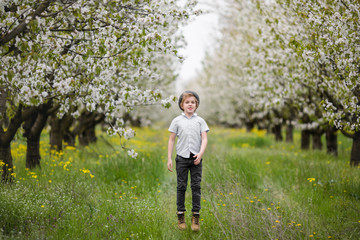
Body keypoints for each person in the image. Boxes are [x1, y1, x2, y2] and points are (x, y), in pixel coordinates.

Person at [167, 91, 209, 231]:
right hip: (181, 158)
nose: (190, 104)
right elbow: (172, 140)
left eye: (193, 102)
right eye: (187, 102)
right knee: (181, 186)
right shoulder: (177, 121)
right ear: (181, 105)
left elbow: (204, 139)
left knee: (196, 186)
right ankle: (180, 214)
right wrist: (169, 158)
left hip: (196, 158)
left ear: (196, 104)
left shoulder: (200, 121)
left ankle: (195, 216)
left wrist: (200, 153)